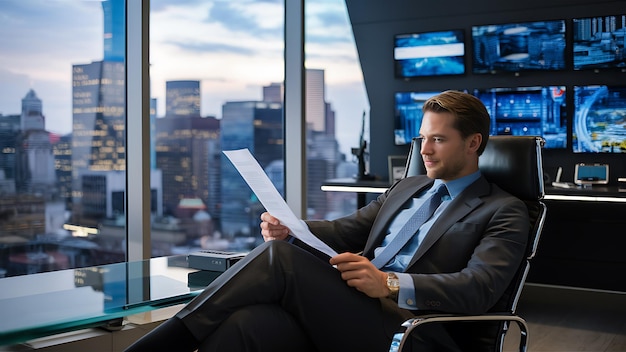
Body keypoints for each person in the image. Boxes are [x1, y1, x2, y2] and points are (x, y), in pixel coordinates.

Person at [124, 90, 529, 352]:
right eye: (421, 138)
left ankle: (157, 348)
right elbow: (342, 231)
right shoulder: (408, 188)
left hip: (417, 332)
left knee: (279, 259)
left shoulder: (503, 209)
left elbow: (479, 288)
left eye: (438, 139)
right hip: (355, 310)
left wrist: (388, 283)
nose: (424, 149)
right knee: (252, 324)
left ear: (474, 143)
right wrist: (292, 229)